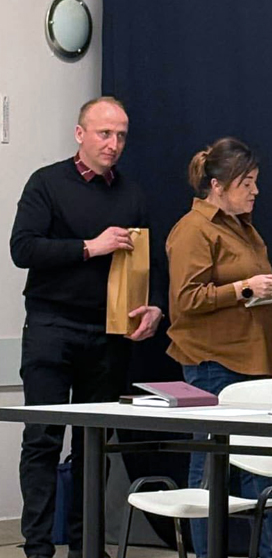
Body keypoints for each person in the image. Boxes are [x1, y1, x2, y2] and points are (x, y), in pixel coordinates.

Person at [10, 96, 164, 558]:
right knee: (43, 439)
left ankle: (85, 547)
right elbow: (23, 249)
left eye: (121, 136)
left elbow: (149, 263)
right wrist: (89, 247)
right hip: (52, 327)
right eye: (104, 133)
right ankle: (38, 548)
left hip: (109, 333)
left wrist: (154, 307)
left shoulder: (132, 194)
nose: (113, 144)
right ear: (80, 134)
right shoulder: (47, 183)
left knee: (92, 444)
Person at [166, 137, 272, 558]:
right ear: (217, 185)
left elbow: (250, 292)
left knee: (258, 468)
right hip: (214, 362)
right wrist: (245, 286)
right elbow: (187, 300)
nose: (255, 191)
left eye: (255, 181)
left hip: (254, 359)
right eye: (246, 183)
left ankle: (269, 553)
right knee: (210, 470)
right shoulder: (193, 229)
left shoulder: (243, 227)